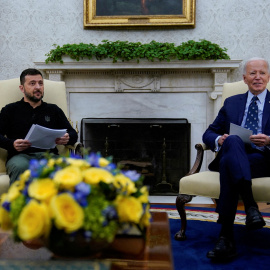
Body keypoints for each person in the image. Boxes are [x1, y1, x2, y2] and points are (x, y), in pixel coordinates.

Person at [203, 57, 270, 261]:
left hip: (262, 159)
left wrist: (269, 140)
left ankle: (226, 236)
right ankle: (251, 206)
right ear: (244, 78)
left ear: (268, 77)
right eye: (252, 73)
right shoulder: (232, 103)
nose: (257, 77)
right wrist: (218, 139)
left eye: (261, 73)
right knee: (232, 140)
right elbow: (209, 133)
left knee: (227, 164)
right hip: (235, 153)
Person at [0, 68, 78, 184]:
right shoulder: (10, 110)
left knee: (65, 168)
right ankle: (20, 202)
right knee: (20, 167)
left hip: (49, 156)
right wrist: (11, 144)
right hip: (20, 156)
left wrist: (67, 138)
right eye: (32, 83)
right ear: (22, 88)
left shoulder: (53, 110)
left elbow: (73, 134)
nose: (38, 87)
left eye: (40, 83)